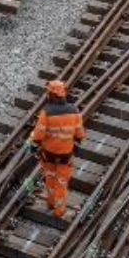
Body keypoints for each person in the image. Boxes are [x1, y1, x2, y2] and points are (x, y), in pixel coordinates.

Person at [29, 80, 86, 219]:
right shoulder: (74, 110)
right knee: (61, 182)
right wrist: (74, 145)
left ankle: (50, 203)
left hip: (48, 154)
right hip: (65, 155)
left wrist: (33, 146)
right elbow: (79, 134)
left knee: (49, 177)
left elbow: (38, 135)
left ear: (51, 94)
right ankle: (59, 210)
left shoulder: (46, 113)